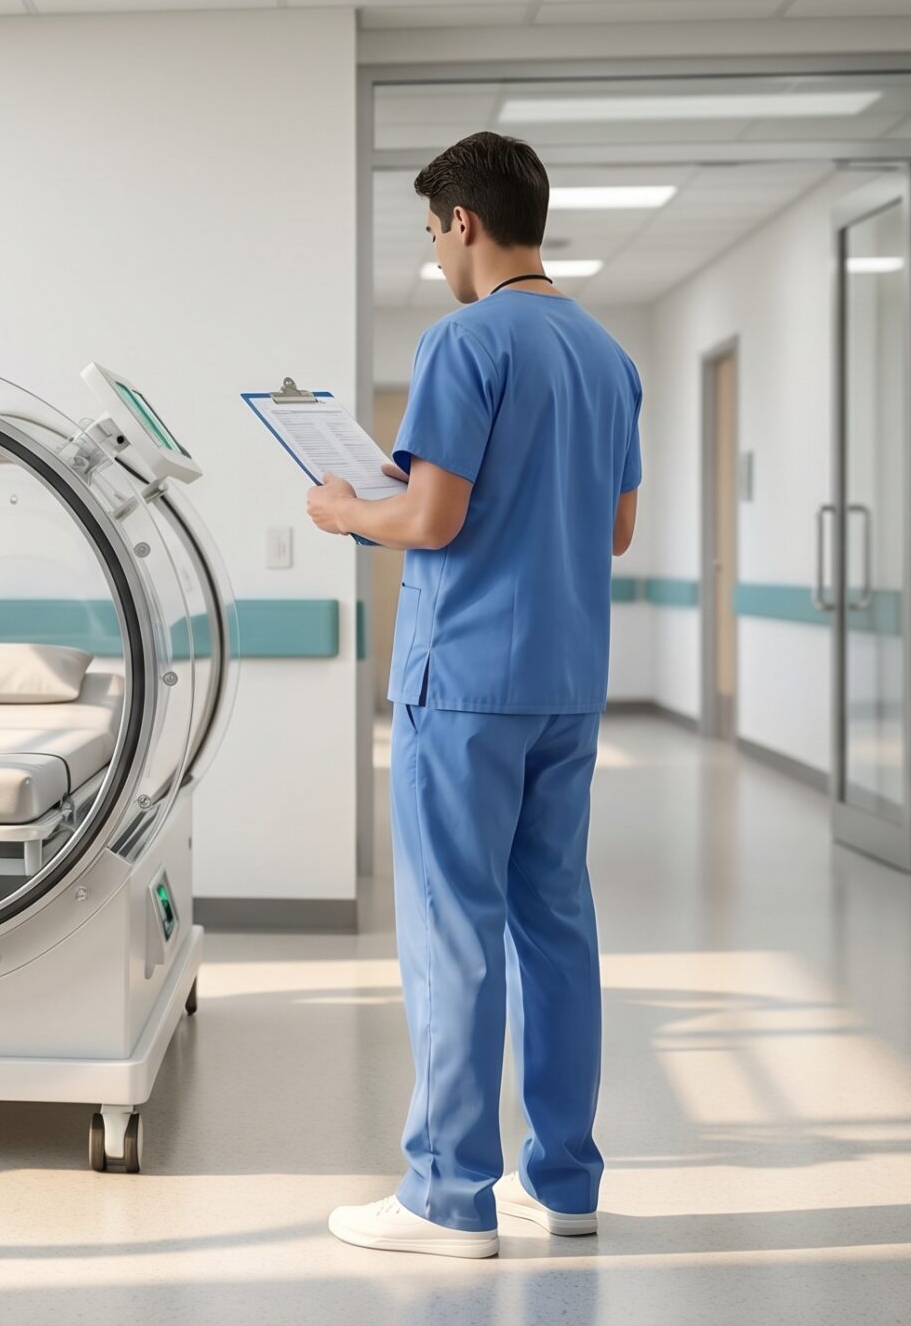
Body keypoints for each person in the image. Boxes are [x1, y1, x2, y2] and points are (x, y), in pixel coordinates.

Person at [302, 131, 642, 1260]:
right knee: (553, 923)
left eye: (431, 231)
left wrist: (351, 509)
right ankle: (564, 1182)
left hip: (463, 684)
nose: (434, 253)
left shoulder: (465, 339)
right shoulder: (604, 354)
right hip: (565, 681)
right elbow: (615, 528)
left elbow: (433, 520)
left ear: (462, 222)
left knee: (453, 929)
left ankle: (447, 1195)